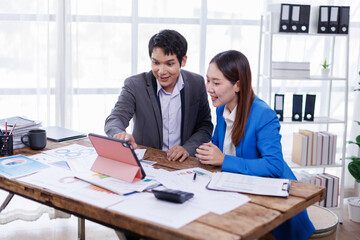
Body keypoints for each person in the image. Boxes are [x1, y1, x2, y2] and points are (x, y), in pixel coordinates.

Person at [195, 50, 315, 240]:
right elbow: (218, 149)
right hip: (239, 191)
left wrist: (224, 160)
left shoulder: (263, 114)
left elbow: (274, 166)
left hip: (274, 207)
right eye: (207, 80)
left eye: (216, 83)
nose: (209, 88)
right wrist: (206, 153)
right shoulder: (221, 108)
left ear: (238, 85)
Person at [105, 29, 213, 162]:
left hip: (183, 163)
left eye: (169, 64)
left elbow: (205, 125)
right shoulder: (134, 85)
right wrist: (119, 135)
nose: (161, 71)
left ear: (183, 61)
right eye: (156, 63)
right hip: (148, 162)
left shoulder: (197, 83)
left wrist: (187, 148)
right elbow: (115, 118)